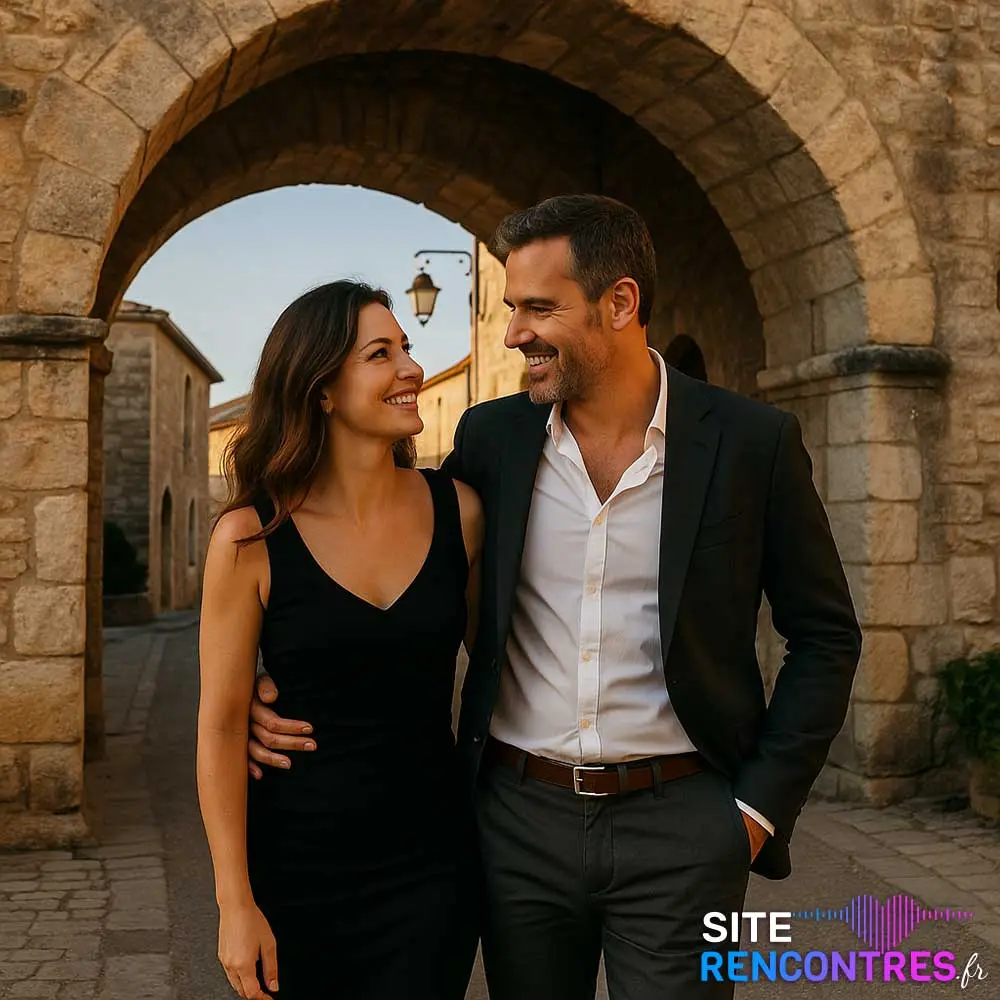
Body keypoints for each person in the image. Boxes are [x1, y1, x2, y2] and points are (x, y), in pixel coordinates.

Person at [247, 196, 863, 999]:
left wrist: (754, 810)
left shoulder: (752, 443)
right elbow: (400, 574)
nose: (514, 334)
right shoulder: (490, 439)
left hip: (685, 821)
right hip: (515, 824)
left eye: (540, 308)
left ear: (620, 303)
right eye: (509, 309)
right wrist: (284, 678)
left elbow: (825, 634)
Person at [196, 280, 483, 1000]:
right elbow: (222, 725)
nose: (411, 369)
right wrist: (235, 902)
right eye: (380, 354)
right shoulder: (250, 538)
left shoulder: (461, 511)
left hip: (433, 868)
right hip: (296, 871)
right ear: (321, 388)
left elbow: (504, 667)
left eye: (407, 349)